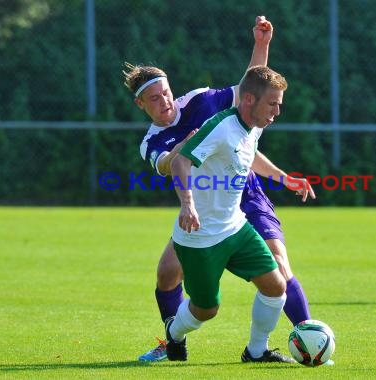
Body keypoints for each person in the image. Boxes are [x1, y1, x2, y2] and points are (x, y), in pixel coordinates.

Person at [123, 16, 315, 362]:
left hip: (244, 194)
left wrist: (262, 44)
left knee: (277, 266)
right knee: (168, 274)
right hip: (203, 206)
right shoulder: (152, 141)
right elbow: (169, 164)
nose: (164, 101)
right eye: (154, 99)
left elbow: (250, 93)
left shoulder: (200, 101)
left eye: (165, 92)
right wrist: (187, 146)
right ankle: (173, 343)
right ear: (141, 105)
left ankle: (308, 335)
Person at [168, 65, 292, 362]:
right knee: (206, 309)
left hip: (236, 229)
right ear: (249, 100)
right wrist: (188, 204)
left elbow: (249, 156)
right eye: (272, 104)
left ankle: (256, 351)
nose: (277, 111)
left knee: (276, 287)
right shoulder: (220, 127)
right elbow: (179, 163)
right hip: (200, 239)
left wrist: (284, 177)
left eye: (279, 104)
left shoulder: (254, 127)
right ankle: (174, 332)